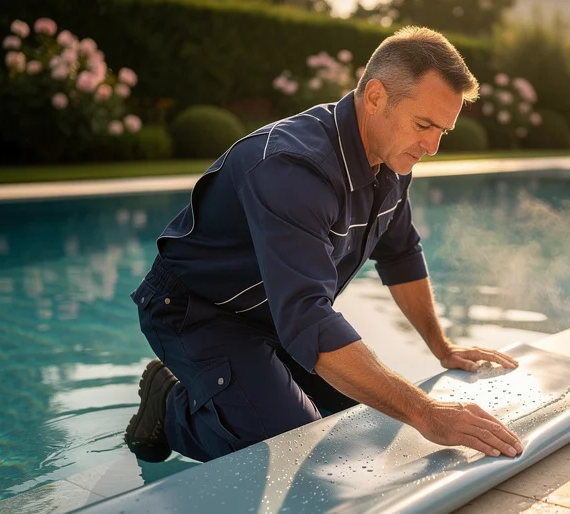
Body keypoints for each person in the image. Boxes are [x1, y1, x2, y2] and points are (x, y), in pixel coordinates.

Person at [124, 26, 523, 465]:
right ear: (375, 97)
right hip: (196, 310)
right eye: (423, 125)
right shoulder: (292, 167)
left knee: (357, 420)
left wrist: (442, 347)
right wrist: (425, 412)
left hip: (275, 314)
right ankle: (169, 405)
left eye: (442, 131)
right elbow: (308, 317)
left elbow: (400, 253)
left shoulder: (392, 157)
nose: (431, 146)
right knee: (291, 446)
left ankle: (241, 388)